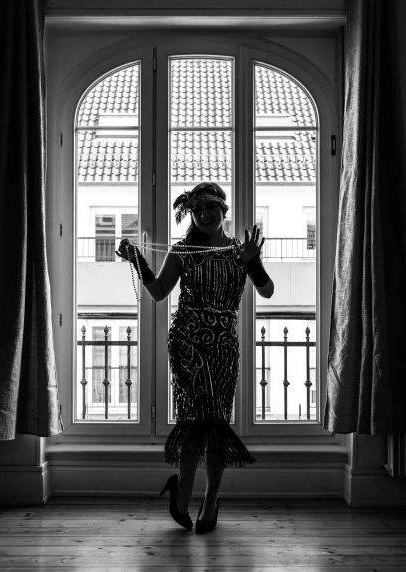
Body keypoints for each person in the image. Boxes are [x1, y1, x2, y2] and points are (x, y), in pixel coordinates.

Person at [115, 182, 274, 533]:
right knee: (197, 420)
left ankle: (210, 499)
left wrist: (254, 261)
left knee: (216, 425)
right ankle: (184, 491)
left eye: (210, 209)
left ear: (223, 211)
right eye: (197, 210)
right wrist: (136, 258)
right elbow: (158, 292)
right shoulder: (183, 250)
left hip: (223, 349)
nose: (203, 215)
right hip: (187, 344)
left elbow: (267, 290)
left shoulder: (239, 251)